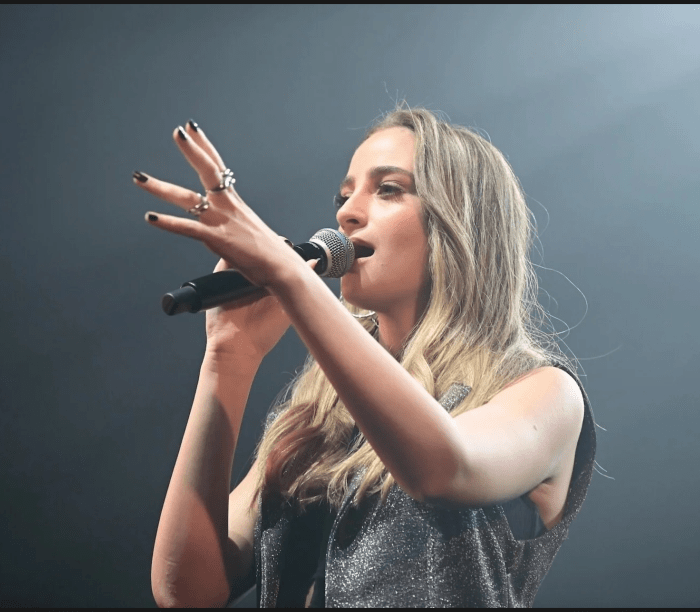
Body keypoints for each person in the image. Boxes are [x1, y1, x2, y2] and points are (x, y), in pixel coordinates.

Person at [141, 106, 596, 608]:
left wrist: (289, 275)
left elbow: (445, 468)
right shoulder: (317, 416)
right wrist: (229, 356)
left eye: (388, 189)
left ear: (462, 223)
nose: (346, 213)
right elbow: (186, 590)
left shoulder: (544, 392)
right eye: (344, 195)